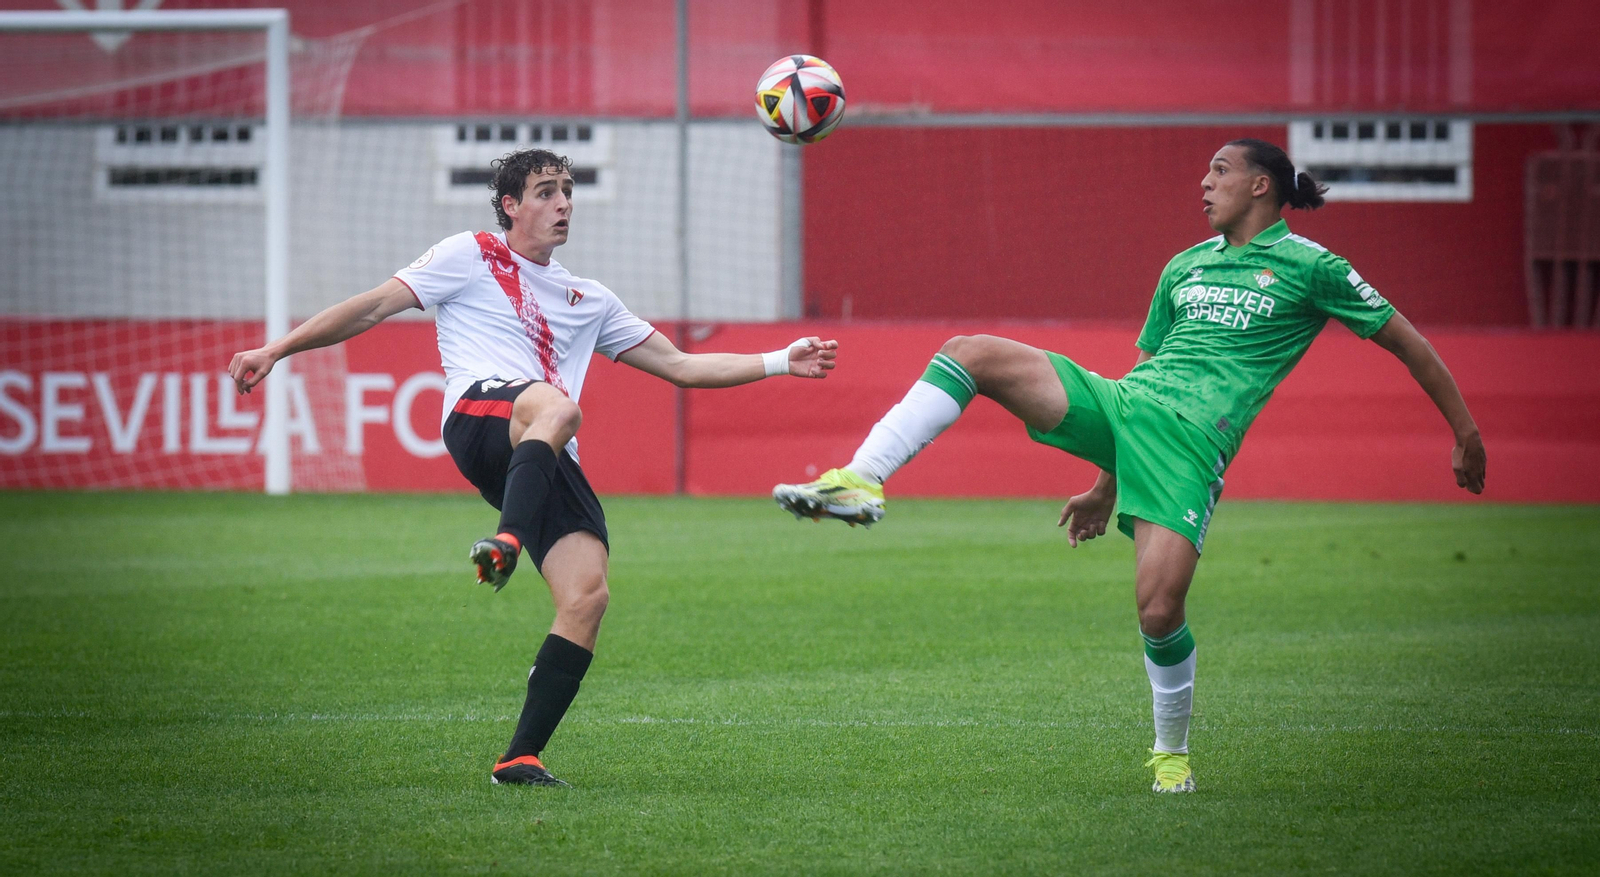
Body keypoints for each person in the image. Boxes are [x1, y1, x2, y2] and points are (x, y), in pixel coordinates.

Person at [772, 138, 1486, 794]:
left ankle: (1171, 753)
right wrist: (1102, 482)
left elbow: (1408, 342)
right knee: (970, 351)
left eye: (1220, 171)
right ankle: (860, 478)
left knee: (1158, 608)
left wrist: (1465, 431)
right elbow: (1146, 363)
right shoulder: (1185, 264)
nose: (1204, 183)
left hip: (1190, 444)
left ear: (1261, 185)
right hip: (1125, 402)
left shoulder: (1313, 267)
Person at [229, 148, 838, 787]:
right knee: (558, 405)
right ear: (510, 206)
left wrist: (779, 360)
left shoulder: (591, 299)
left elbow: (684, 366)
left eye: (568, 190)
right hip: (479, 415)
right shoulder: (470, 254)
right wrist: (277, 348)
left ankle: (519, 757)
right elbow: (374, 306)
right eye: (546, 191)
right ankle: (509, 539)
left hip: (541, 451)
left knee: (587, 596)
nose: (563, 202)